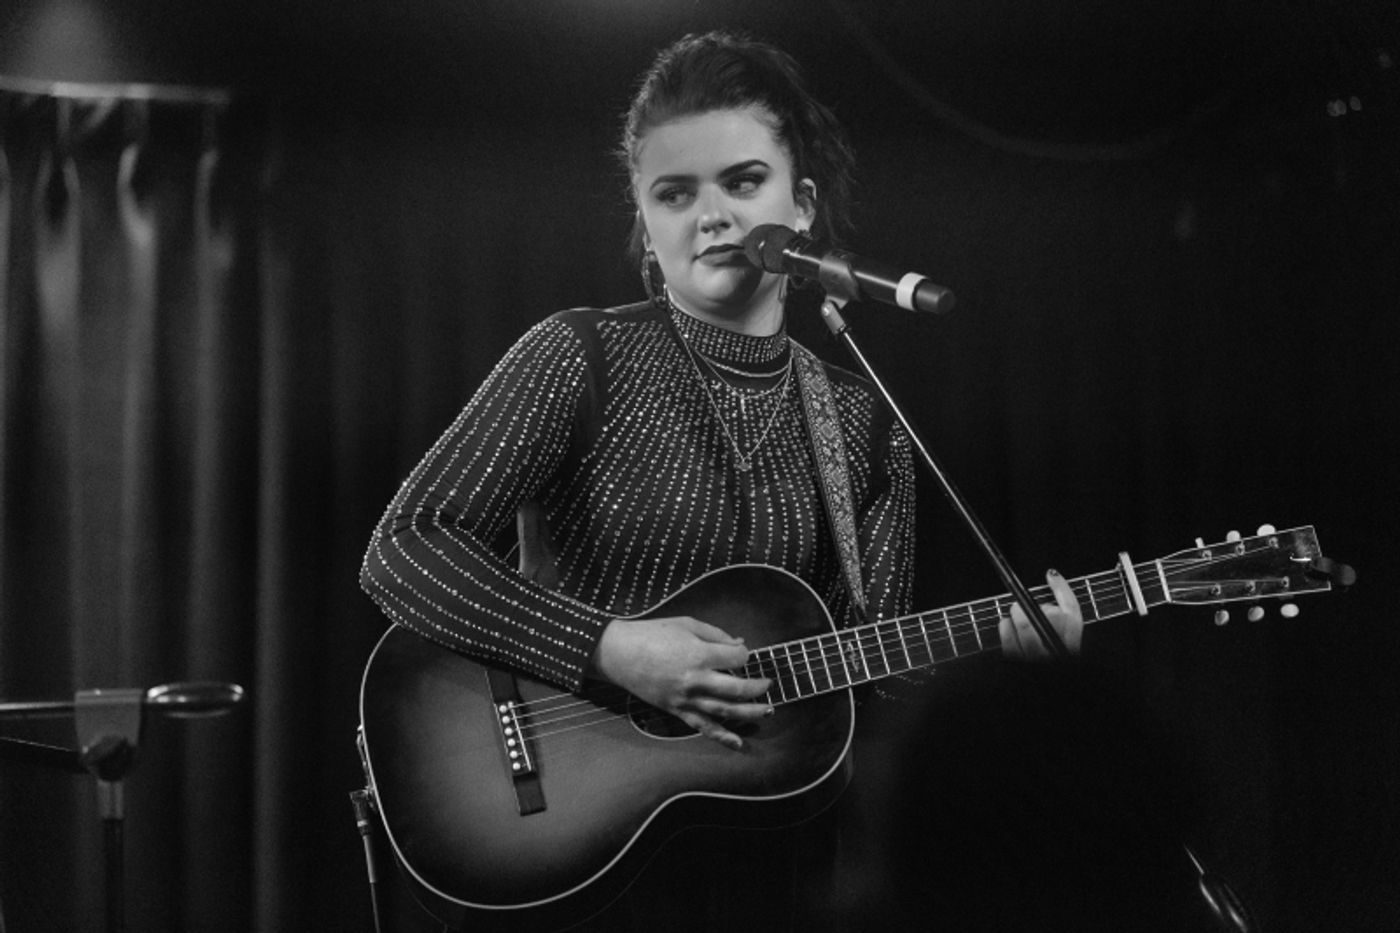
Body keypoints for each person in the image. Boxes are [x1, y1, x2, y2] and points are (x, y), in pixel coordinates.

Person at [360, 30, 1082, 931]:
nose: (712, 215)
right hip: (582, 865)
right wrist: (608, 648)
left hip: (770, 874)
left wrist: (999, 670)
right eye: (675, 194)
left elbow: (869, 676)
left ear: (801, 205)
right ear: (645, 220)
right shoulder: (580, 356)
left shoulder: (859, 419)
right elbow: (402, 550)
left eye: (742, 182)